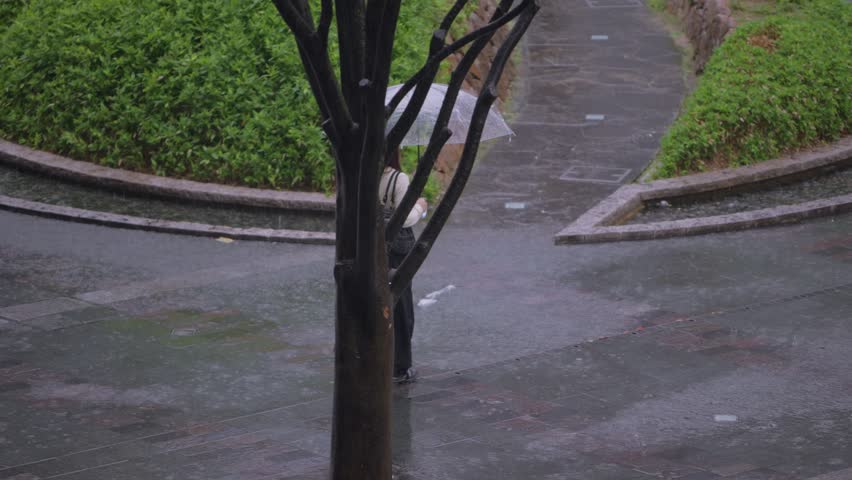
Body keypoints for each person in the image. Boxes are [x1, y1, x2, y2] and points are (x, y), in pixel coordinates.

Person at [380, 149, 427, 384]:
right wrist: (420, 205)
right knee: (401, 308)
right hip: (397, 252)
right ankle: (401, 366)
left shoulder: (363, 174)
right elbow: (404, 218)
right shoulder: (398, 179)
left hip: (372, 246)